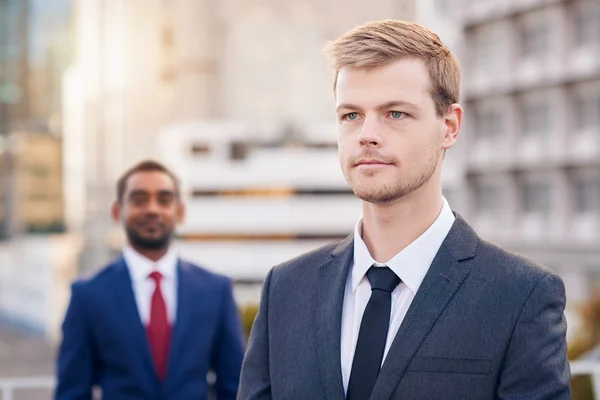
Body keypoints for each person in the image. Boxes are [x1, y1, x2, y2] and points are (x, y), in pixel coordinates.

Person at [238, 20, 571, 400]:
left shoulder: (520, 295)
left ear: (449, 126)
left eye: (395, 113)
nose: (367, 134)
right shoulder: (286, 289)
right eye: (351, 115)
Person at [56, 160, 244, 400]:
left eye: (164, 200)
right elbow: (71, 393)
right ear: (117, 211)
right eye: (139, 199)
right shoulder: (87, 294)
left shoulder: (216, 290)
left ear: (180, 212)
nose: (152, 209)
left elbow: (235, 388)